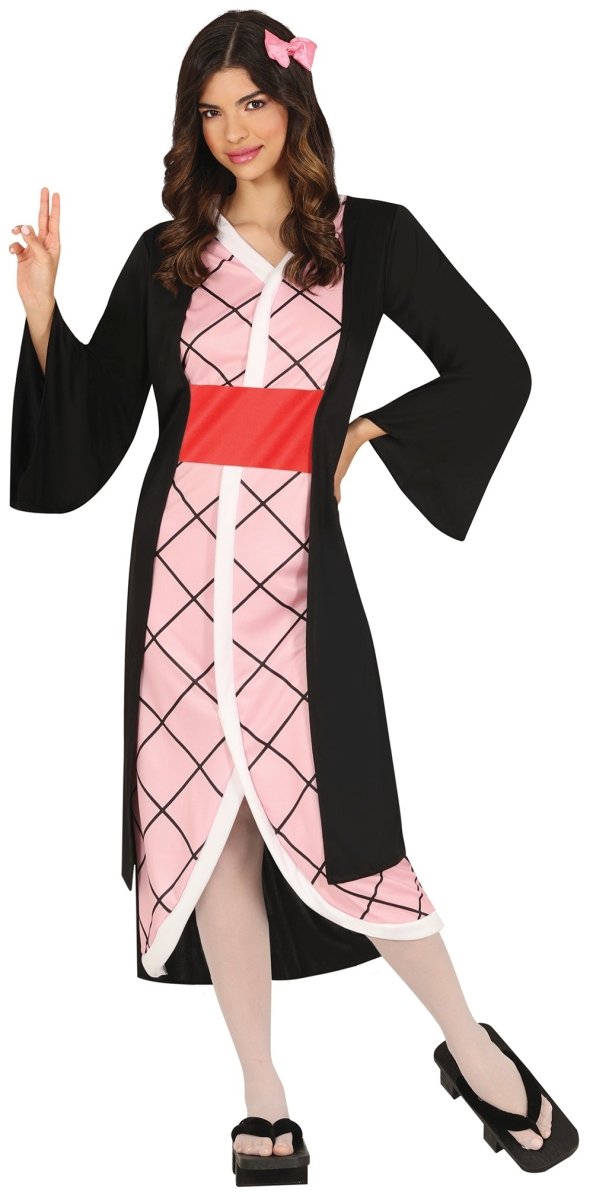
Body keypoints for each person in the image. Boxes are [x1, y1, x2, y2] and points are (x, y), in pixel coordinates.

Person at [9, 8, 576, 1181]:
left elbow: (494, 365)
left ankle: (475, 1054)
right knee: (209, 834)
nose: (234, 131)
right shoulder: (169, 253)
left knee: (352, 840)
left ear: (293, 106)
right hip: (175, 591)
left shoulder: (374, 240)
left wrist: (367, 431)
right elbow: (93, 430)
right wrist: (43, 312)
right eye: (211, 112)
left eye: (253, 103)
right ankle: (262, 1095)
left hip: (296, 591)